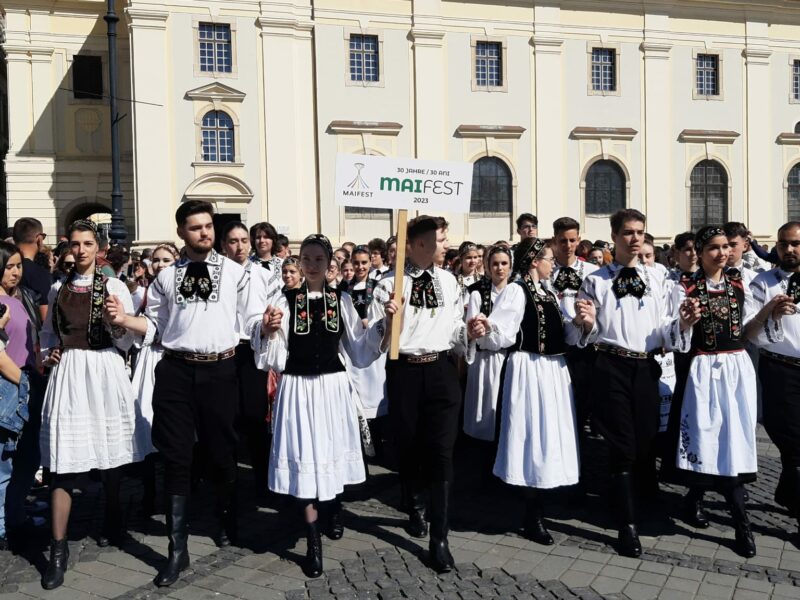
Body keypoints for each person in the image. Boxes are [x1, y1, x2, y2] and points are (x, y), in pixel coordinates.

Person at [104, 201, 263, 587]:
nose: (205, 233)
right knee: (176, 456)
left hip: (221, 370)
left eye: (209, 226)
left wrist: (269, 325)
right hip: (175, 369)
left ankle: (226, 515)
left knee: (221, 452)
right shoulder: (165, 278)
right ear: (182, 233)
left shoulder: (236, 273)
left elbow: (251, 319)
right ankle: (178, 550)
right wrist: (125, 320)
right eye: (196, 228)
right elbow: (155, 324)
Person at [251, 234, 380, 578]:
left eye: (319, 259)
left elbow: (359, 348)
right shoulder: (284, 298)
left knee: (331, 448)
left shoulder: (342, 300)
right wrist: (266, 329)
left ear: (330, 265)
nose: (311, 265)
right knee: (306, 454)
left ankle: (333, 507)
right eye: (306, 259)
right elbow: (271, 353)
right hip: (297, 387)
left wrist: (385, 325)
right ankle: (312, 540)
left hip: (333, 388)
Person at [576, 209, 700, 557]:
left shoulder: (658, 276)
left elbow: (664, 327)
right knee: (623, 444)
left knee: (646, 441)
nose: (635, 239)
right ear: (614, 236)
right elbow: (591, 331)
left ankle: (637, 503)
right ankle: (627, 525)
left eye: (640, 233)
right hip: (611, 365)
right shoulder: (596, 280)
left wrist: (684, 325)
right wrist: (585, 323)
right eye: (628, 233)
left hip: (647, 367)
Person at [368, 215, 482, 573]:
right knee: (411, 446)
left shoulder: (449, 282)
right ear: (419, 244)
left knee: (442, 452)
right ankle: (414, 501)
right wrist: (388, 321)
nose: (446, 244)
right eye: (441, 239)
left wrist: (470, 333)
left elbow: (452, 331)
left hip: (441, 372)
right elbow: (373, 345)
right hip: (404, 372)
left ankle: (440, 538)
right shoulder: (387, 285)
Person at [39, 220, 145, 589]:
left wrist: (119, 323)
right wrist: (48, 353)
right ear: (68, 248)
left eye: (87, 244)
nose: (81, 250)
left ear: (98, 249)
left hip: (103, 369)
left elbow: (127, 341)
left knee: (110, 453)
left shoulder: (114, 286)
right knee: (63, 461)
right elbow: (49, 334)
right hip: (69, 373)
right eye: (75, 244)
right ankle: (58, 549)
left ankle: (113, 515)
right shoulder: (58, 288)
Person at [671, 226, 786, 558]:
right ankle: (739, 524)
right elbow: (678, 338)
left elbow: (749, 331)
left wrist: (768, 312)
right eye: (713, 248)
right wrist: (685, 322)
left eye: (725, 247)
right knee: (708, 437)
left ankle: (701, 502)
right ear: (700, 252)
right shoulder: (686, 288)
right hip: (704, 371)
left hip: (736, 369)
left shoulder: (739, 287)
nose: (721, 253)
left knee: (732, 440)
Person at [472, 238, 593, 544]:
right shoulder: (517, 290)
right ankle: (532, 512)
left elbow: (563, 333)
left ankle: (543, 495)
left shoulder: (548, 292)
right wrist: (487, 329)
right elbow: (503, 329)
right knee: (532, 435)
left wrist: (579, 322)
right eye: (549, 258)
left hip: (553, 369)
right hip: (529, 369)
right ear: (534, 261)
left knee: (550, 434)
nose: (553, 263)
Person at [749, 221, 800, 542]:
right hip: (779, 369)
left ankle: (789, 491)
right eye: (784, 244)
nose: (790, 249)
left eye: (795, 243)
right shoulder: (763, 283)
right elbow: (749, 332)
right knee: (791, 439)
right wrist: (772, 313)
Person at [221, 222, 279, 505]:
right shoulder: (218, 273)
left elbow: (270, 309)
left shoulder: (263, 274)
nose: (241, 246)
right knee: (227, 419)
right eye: (233, 241)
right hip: (224, 351)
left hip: (253, 351)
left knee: (256, 419)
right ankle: (227, 484)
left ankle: (262, 482)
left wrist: (267, 327)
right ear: (224, 245)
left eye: (245, 240)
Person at [128, 243, 180, 516]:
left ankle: (179, 492)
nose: (161, 264)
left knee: (177, 430)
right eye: (157, 260)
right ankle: (150, 491)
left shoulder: (182, 290)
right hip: (150, 361)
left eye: (167, 260)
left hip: (175, 359)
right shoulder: (142, 294)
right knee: (145, 422)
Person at [0, 242, 44, 552]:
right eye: (9, 267)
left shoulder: (21, 297)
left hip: (27, 381)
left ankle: (15, 515)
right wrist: (25, 384)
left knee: (27, 458)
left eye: (18, 265)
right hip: (10, 386)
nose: (15, 272)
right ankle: (3, 526)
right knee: (4, 462)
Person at [550, 217, 599, 444]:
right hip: (555, 346)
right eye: (562, 240)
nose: (567, 245)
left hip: (584, 346)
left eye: (572, 240)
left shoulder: (592, 272)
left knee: (583, 401)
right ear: (554, 241)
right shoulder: (546, 271)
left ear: (578, 240)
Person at [463, 245, 511, 442]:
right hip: (484, 358)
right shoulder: (477, 294)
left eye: (504, 263)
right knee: (482, 404)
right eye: (495, 264)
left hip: (507, 357)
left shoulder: (516, 293)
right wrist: (478, 331)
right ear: (488, 267)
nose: (500, 268)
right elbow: (471, 326)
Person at [12, 218, 50, 320]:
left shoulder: (4, 267)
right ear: (39, 238)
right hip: (30, 333)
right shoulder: (40, 274)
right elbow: (45, 317)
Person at [250, 222, 283, 289]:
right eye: (258, 237)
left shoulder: (283, 264)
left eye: (266, 237)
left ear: (273, 240)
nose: (262, 240)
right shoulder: (247, 264)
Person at [455, 242, 480, 306]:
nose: (473, 261)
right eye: (468, 257)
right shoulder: (453, 279)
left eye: (475, 257)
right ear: (461, 259)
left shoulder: (483, 279)